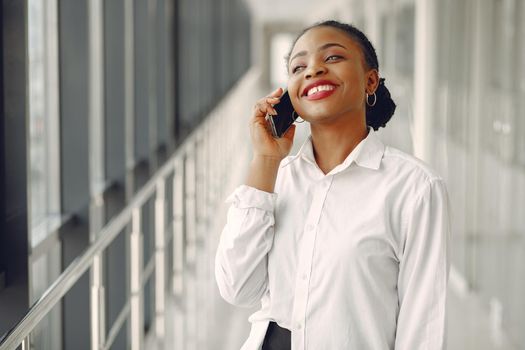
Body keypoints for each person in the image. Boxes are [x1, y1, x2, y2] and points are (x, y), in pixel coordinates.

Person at [215, 20, 451, 350]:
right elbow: (237, 288)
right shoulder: (276, 179)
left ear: (370, 81)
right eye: (299, 66)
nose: (312, 70)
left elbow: (423, 328)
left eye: (333, 58)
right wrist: (265, 162)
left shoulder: (415, 189)